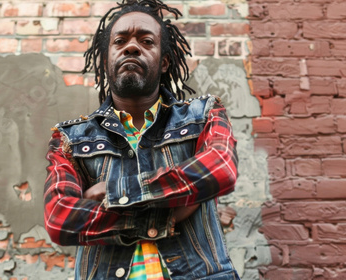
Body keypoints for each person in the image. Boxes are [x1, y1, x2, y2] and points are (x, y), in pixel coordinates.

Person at [43, 0, 240, 279]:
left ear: (164, 61)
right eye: (120, 41)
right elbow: (60, 218)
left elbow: (219, 169)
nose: (132, 47)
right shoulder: (71, 139)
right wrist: (168, 214)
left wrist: (113, 194)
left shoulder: (203, 115)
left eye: (146, 41)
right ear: (106, 59)